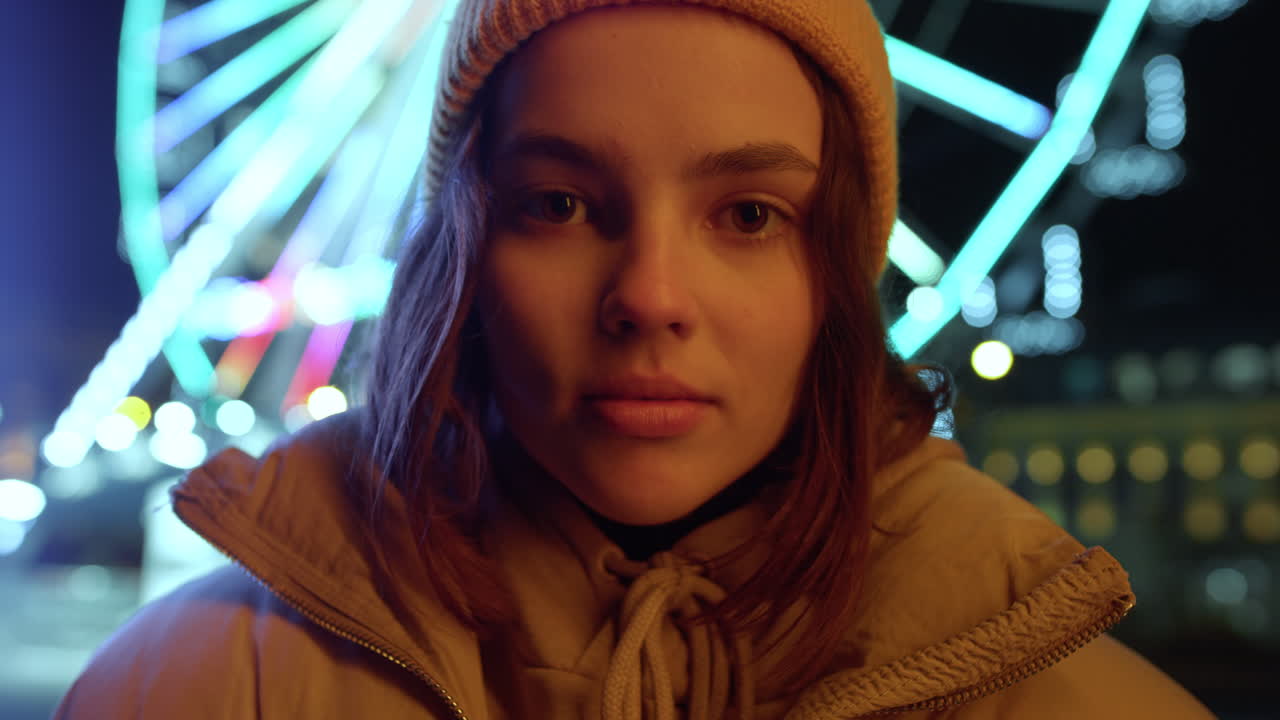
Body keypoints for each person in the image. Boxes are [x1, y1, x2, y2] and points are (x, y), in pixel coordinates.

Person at [55, 1, 1216, 718]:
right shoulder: (187, 693)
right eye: (558, 203)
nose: (649, 299)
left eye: (749, 215)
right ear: (463, 252)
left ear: (838, 275)